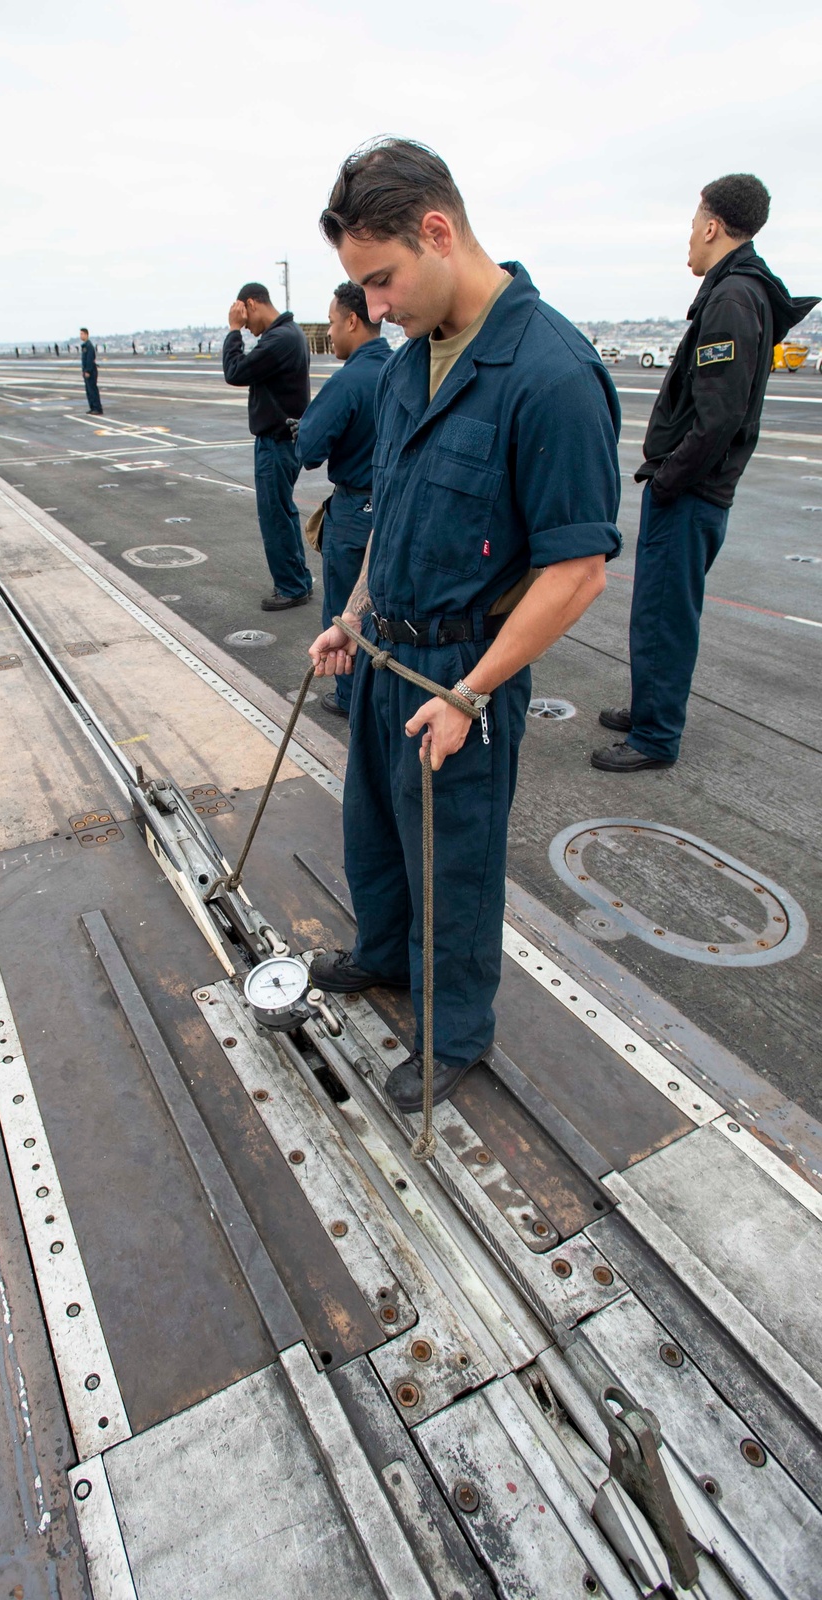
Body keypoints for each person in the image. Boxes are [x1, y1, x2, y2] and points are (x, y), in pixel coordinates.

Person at [306, 138, 620, 1110]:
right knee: (375, 835)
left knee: (454, 864)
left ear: (437, 231)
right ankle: (384, 955)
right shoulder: (409, 365)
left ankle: (455, 1034)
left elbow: (574, 573)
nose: (377, 308)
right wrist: (352, 617)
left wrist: (469, 691)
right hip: (383, 655)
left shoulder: (550, 372)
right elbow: (392, 511)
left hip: (458, 674)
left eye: (383, 280)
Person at [593, 175, 819, 772]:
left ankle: (655, 738)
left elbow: (718, 418)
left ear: (714, 226)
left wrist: (669, 479)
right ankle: (650, 711)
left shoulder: (731, 300)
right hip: (696, 491)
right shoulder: (742, 294)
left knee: (665, 615)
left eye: (694, 224)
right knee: (658, 610)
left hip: (691, 493)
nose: (689, 237)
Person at [297, 282, 391, 715]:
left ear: (353, 320)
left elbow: (309, 451)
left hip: (356, 512)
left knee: (346, 613)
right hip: (398, 506)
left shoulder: (347, 381)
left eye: (334, 323)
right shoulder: (405, 367)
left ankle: (351, 700)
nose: (331, 333)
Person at [223, 282, 313, 609]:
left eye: (247, 321)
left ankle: (291, 586)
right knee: (284, 512)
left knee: (275, 516)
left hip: (276, 442)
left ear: (252, 304)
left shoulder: (279, 339)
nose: (247, 328)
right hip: (284, 441)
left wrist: (233, 331)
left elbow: (235, 371)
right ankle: (298, 579)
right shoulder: (289, 335)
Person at [80, 327, 103, 414]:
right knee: (89, 391)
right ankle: (93, 407)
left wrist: (88, 371)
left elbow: (89, 359)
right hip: (86, 371)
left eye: (82, 334)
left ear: (86, 334)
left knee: (92, 390)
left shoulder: (89, 346)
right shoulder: (85, 345)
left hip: (91, 371)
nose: (80, 335)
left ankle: (97, 408)